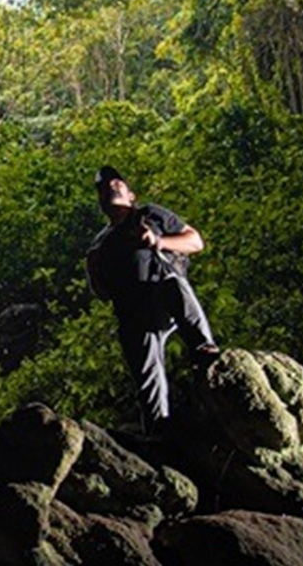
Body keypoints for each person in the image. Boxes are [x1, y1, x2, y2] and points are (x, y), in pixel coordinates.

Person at [84, 165, 220, 437]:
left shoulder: (149, 215)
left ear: (131, 195)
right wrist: (93, 270)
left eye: (117, 184)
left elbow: (195, 242)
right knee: (148, 382)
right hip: (133, 314)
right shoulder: (101, 244)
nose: (111, 186)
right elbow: (102, 294)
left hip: (162, 294)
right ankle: (158, 437)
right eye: (105, 187)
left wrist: (157, 241)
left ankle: (203, 348)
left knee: (172, 284)